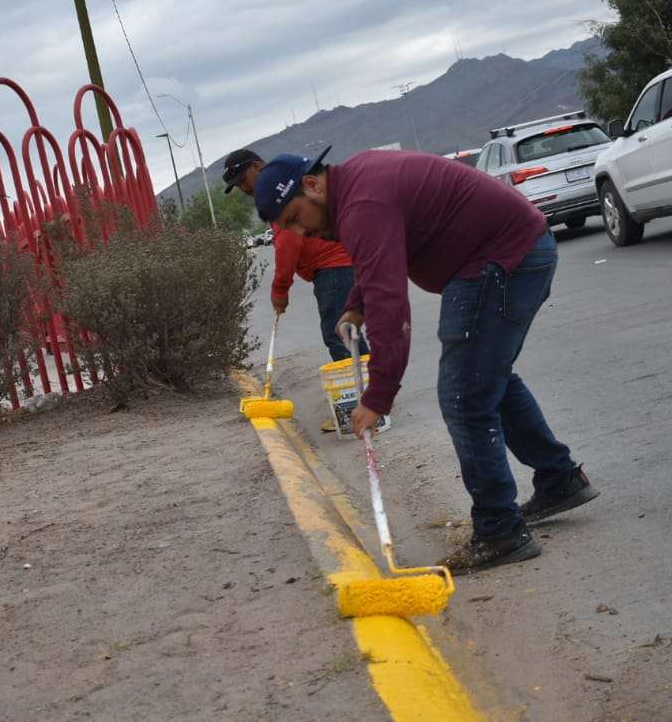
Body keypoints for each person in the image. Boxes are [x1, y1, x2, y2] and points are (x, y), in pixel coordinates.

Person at [252, 147, 598, 574]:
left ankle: (499, 531)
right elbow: (375, 262)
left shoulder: (362, 202)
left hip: (503, 258)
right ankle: (558, 478)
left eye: (295, 219)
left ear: (312, 184)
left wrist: (377, 396)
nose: (300, 233)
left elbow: (390, 305)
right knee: (487, 378)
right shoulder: (355, 191)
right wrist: (355, 303)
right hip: (506, 253)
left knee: (464, 394)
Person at [222, 148, 368, 365]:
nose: (243, 188)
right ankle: (371, 387)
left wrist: (280, 289)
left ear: (256, 166)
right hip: (336, 265)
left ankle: (362, 391)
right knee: (344, 330)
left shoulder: (278, 190)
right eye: (238, 185)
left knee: (338, 333)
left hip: (333, 265)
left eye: (243, 179)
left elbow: (288, 243)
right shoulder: (275, 189)